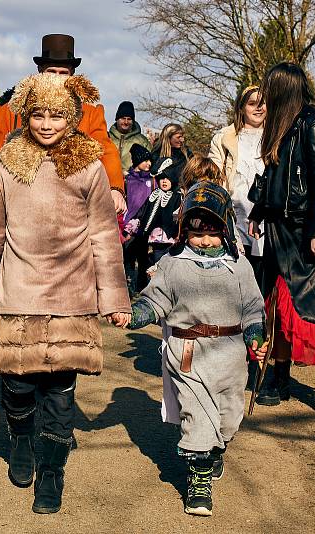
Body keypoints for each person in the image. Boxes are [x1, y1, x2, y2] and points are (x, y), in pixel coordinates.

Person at [0, 73, 131, 515]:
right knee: (15, 384)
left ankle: (52, 472)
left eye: (56, 114)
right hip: (20, 293)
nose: (47, 123)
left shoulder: (88, 165)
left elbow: (105, 236)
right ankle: (19, 438)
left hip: (72, 294)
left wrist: (114, 298)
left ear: (71, 116)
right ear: (25, 114)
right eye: (38, 114)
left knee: (59, 391)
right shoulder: (8, 164)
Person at [126, 181, 267, 517]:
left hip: (231, 354)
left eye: (212, 233)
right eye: (196, 233)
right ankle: (198, 481)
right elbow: (154, 300)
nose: (204, 240)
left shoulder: (240, 266)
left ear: (227, 230)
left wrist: (256, 337)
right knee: (198, 418)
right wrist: (133, 315)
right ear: (184, 231)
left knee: (228, 418)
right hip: (188, 351)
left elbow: (253, 309)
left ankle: (215, 450)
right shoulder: (173, 265)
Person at [247, 62, 315, 420]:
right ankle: (279, 379)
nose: (264, 98)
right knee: (279, 308)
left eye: (269, 89)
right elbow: (273, 177)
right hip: (280, 231)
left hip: (307, 233)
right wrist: (258, 213)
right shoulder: (280, 127)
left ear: (283, 89)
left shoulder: (313, 125)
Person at [0, 34, 127, 214]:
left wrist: (115, 188)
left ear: (72, 76)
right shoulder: (12, 112)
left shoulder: (90, 113)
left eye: (63, 73)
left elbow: (106, 150)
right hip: (23, 204)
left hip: (71, 205)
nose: (57, 78)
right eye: (51, 71)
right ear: (40, 71)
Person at [209, 85, 266, 274]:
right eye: (252, 104)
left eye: (262, 103)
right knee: (238, 268)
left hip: (265, 212)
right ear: (241, 108)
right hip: (236, 212)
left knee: (264, 270)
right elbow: (213, 173)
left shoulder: (276, 137)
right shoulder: (225, 137)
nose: (258, 108)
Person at [123, 171, 182, 266]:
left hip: (170, 237)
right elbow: (142, 212)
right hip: (154, 239)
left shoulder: (177, 196)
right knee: (154, 262)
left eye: (168, 179)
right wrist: (131, 228)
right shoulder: (153, 195)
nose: (164, 181)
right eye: (162, 179)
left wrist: (178, 234)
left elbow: (178, 216)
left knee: (169, 264)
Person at [122, 143, 155, 294]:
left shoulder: (152, 181)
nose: (149, 164)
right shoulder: (127, 180)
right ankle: (128, 287)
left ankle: (142, 288)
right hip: (128, 225)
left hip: (145, 224)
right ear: (136, 162)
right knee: (128, 258)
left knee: (143, 259)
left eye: (150, 161)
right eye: (145, 160)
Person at [109, 101, 152, 174]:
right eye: (123, 118)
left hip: (133, 182)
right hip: (109, 181)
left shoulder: (142, 141)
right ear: (117, 119)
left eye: (129, 119)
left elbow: (151, 163)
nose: (126, 122)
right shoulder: (107, 138)